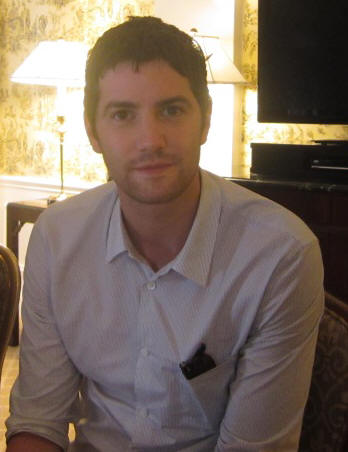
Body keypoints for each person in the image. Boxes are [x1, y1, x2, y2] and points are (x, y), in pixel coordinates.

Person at [6, 16, 324, 452]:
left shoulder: (280, 254)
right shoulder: (57, 239)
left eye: (171, 110)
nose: (150, 140)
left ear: (205, 120)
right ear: (92, 131)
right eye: (122, 114)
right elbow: (38, 421)